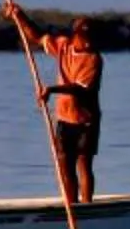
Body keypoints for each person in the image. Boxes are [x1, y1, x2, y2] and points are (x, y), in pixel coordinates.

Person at [21, 13, 102, 203]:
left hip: (86, 120)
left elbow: (80, 88)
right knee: (65, 164)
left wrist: (51, 89)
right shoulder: (64, 46)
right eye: (84, 36)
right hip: (65, 118)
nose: (88, 41)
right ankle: (71, 204)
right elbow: (36, 36)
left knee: (83, 163)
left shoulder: (94, 59)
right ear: (74, 35)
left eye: (90, 36)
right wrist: (19, 16)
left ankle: (87, 206)